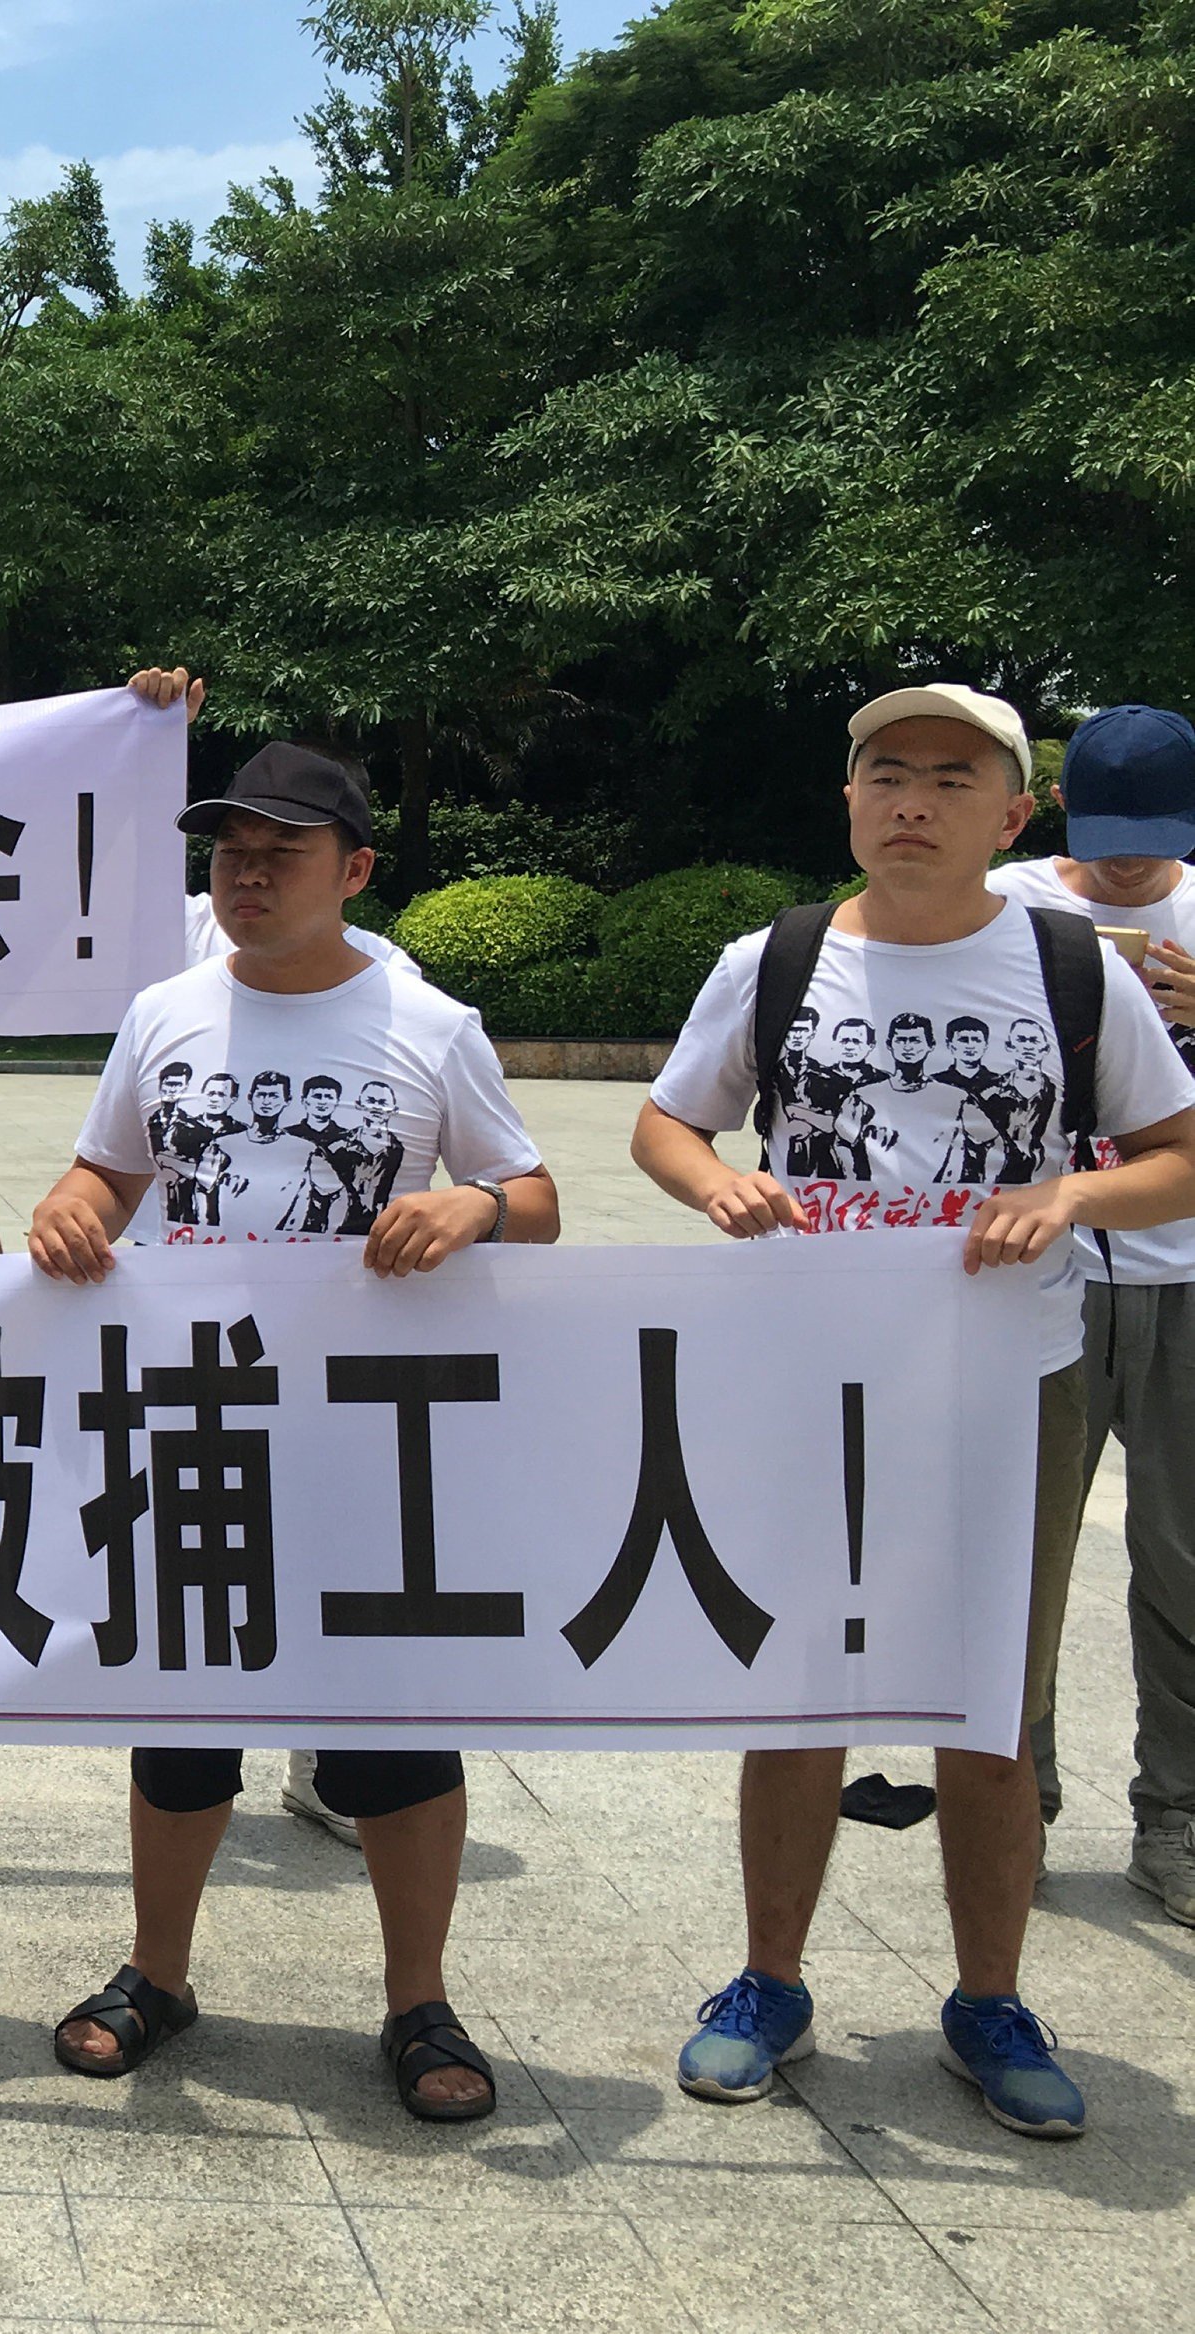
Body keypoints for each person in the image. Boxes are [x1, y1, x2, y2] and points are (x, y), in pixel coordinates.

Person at [636, 684, 1195, 2139]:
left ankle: (991, 1998)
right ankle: (769, 1978)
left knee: (991, 1704)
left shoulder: (1073, 966)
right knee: (797, 1685)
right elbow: (668, 1119)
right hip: (807, 1365)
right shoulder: (781, 958)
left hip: (1010, 1376)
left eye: (953, 779)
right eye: (887, 772)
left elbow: (1181, 1151)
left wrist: (1071, 1190)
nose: (913, 800)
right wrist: (715, 1184)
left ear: (1012, 817)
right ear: (847, 800)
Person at [30, 737, 560, 2124]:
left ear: (358, 869)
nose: (250, 874)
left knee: (391, 1733)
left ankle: (417, 1996)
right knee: (186, 1721)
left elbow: (536, 1191)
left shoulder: (427, 1023)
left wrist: (475, 1207)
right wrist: (73, 1206)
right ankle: (159, 1972)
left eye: (284, 852)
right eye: (231, 851)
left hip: (372, 1438)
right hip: (201, 1416)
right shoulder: (166, 1012)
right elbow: (111, 1165)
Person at [984, 703, 1195, 1917]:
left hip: (1182, 1277)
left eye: (1155, 836)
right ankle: (1019, 1797)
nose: (1128, 863)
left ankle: (1172, 1820)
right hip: (1038, 1274)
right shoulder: (1008, 905)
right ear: (1057, 808)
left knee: (1180, 1561)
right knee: (1020, 1558)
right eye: (1107, 833)